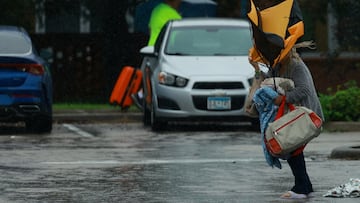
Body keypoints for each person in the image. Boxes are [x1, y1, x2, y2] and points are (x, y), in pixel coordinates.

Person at [249, 42, 325, 199]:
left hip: (306, 114)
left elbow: (304, 90)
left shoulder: (296, 66)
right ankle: (304, 186)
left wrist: (283, 99)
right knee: (292, 147)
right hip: (292, 114)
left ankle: (301, 188)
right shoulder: (276, 66)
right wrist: (256, 69)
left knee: (292, 147)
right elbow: (266, 83)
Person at [132, 0, 182, 109]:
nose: (180, 2)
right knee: (161, 79)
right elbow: (176, 38)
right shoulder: (174, 16)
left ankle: (142, 97)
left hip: (150, 48)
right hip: (162, 51)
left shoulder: (156, 10)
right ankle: (146, 99)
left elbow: (150, 29)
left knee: (148, 77)